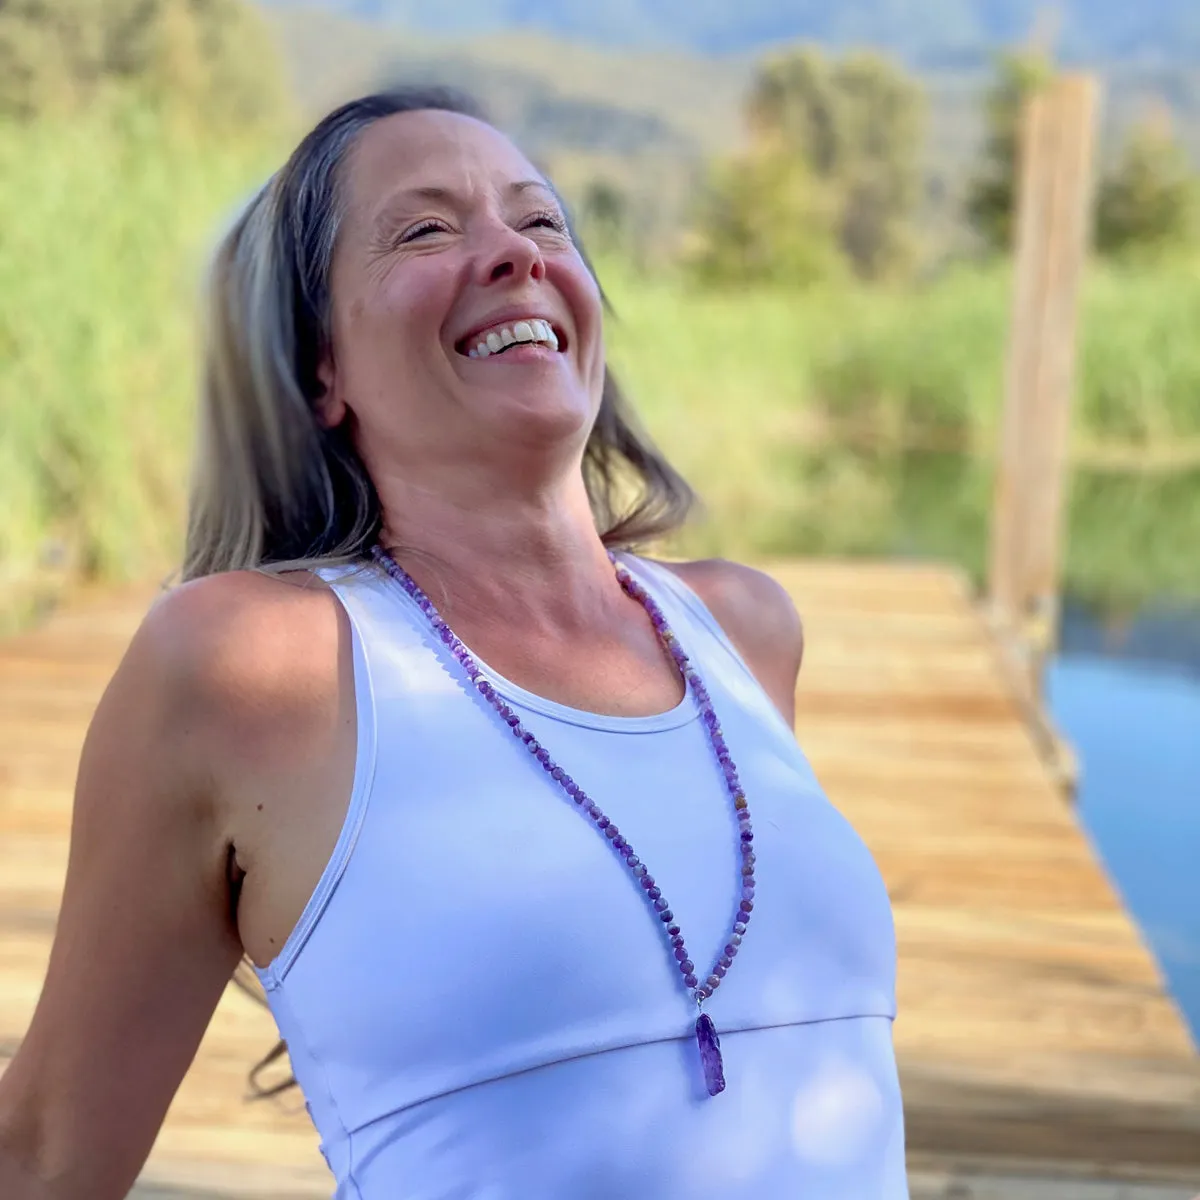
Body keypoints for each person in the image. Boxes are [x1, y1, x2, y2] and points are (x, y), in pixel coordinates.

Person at [0, 87, 907, 1198]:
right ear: (320, 365)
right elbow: (44, 1154)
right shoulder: (248, 666)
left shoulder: (744, 629)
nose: (513, 256)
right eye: (427, 228)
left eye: (540, 223)